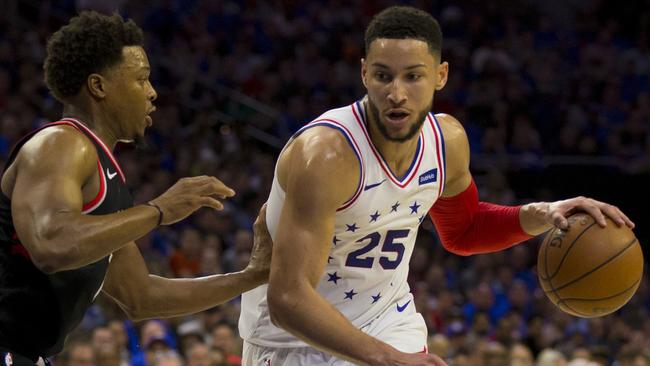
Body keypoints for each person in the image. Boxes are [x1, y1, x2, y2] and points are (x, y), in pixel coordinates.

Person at [238, 6, 634, 366]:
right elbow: (287, 299)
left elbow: (463, 231)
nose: (396, 93)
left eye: (413, 76)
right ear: (363, 74)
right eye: (382, 75)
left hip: (386, 319)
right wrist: (389, 359)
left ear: (440, 76)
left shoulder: (447, 142)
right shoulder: (324, 156)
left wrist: (543, 213)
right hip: (293, 340)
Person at [0, 11, 272, 365]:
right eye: (141, 79)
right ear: (98, 86)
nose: (152, 93)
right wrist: (159, 210)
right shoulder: (60, 143)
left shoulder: (106, 179)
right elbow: (52, 244)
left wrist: (252, 276)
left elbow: (142, 297)